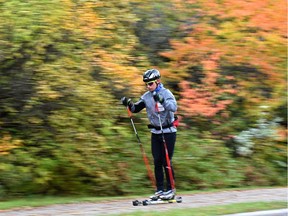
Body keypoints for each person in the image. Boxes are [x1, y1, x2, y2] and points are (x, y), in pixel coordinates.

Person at [121, 69, 178, 200]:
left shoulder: (166, 93)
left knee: (166, 161)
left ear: (158, 81)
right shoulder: (146, 96)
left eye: (150, 83)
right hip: (155, 132)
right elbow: (136, 108)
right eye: (146, 84)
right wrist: (129, 104)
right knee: (157, 161)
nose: (148, 86)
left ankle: (170, 190)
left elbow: (174, 108)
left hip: (168, 132)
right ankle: (159, 190)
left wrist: (162, 100)